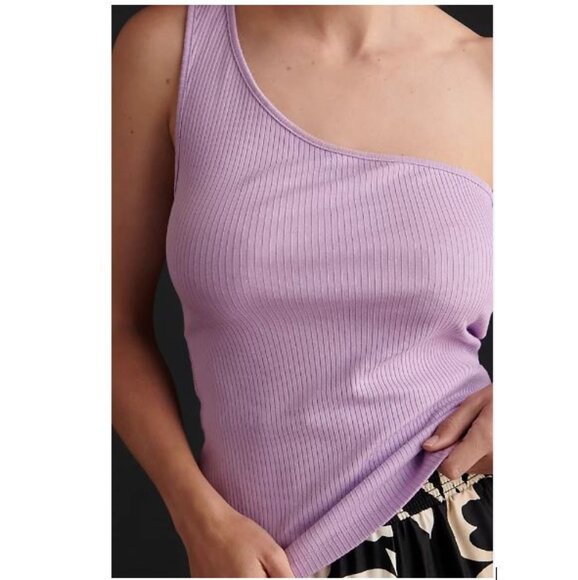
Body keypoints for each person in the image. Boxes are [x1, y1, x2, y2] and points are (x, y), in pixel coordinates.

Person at [112, 4, 493, 578]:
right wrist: (199, 517)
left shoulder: (497, 77)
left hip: (465, 530)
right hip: (256, 557)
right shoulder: (174, 47)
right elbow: (109, 323)